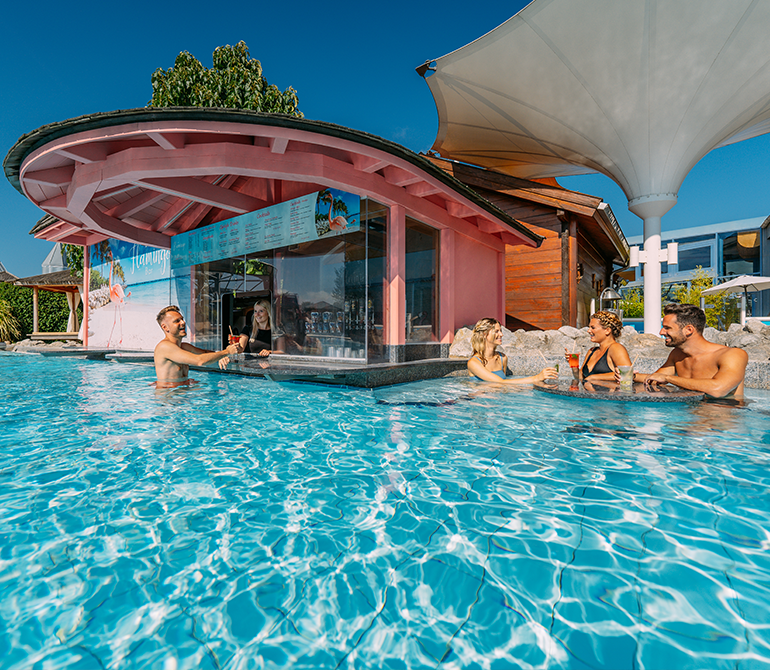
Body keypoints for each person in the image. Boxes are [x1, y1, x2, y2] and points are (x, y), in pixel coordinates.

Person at [627, 303, 747, 399]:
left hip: (722, 423)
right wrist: (629, 376)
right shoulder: (677, 354)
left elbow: (718, 390)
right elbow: (655, 378)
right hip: (687, 420)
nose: (661, 332)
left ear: (689, 330)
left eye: (667, 328)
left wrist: (669, 379)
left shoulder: (732, 354)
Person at [154, 305, 240, 386]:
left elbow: (205, 353)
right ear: (165, 327)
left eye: (182, 319)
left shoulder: (184, 347)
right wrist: (227, 352)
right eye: (177, 321)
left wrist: (220, 356)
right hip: (168, 397)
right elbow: (200, 361)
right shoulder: (164, 347)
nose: (183, 322)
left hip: (181, 394)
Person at [467, 317, 557, 384]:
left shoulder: (502, 358)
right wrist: (536, 377)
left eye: (501, 331)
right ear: (484, 334)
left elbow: (507, 385)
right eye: (497, 331)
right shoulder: (473, 363)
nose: (501, 334)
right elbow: (501, 382)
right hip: (480, 404)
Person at [573, 311, 632, 381]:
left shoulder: (616, 348)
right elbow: (581, 378)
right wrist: (574, 364)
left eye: (593, 327)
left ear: (607, 330)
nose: (588, 331)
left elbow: (627, 375)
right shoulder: (592, 351)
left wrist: (593, 377)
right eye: (589, 327)